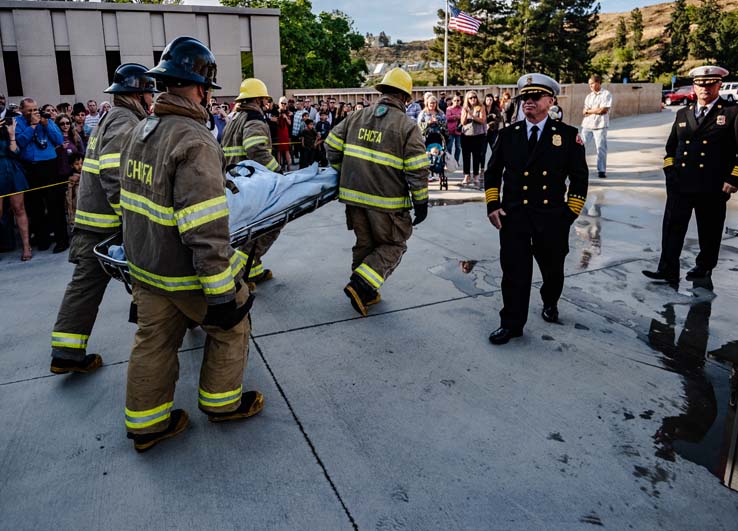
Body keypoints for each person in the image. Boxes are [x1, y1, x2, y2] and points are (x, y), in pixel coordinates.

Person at [120, 37, 263, 452]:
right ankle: (222, 404)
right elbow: (205, 229)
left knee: (154, 340)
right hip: (182, 272)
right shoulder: (195, 140)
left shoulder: (141, 130)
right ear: (200, 87)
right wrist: (221, 296)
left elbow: (129, 203)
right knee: (232, 326)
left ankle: (147, 426)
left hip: (146, 266)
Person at [49, 63, 157, 376]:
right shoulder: (124, 119)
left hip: (94, 222)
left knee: (85, 286)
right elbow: (113, 173)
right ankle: (161, 335)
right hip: (106, 224)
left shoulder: (114, 116)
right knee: (145, 280)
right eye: (149, 93)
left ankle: (66, 353)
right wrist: (132, 216)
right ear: (138, 93)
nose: (152, 99)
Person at [484, 73, 588, 345]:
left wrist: (570, 213)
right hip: (514, 216)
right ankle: (511, 324)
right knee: (514, 273)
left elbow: (580, 177)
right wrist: (493, 204)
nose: (528, 101)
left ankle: (550, 300)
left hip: (551, 217)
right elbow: (492, 172)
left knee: (552, 271)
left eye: (535, 97)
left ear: (550, 100)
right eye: (524, 97)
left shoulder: (567, 136)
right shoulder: (508, 135)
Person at [325, 67, 429, 317]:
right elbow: (417, 169)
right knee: (394, 244)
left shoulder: (356, 116)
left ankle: (364, 292)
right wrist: (421, 202)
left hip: (353, 197)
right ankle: (361, 285)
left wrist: (344, 175)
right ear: (405, 98)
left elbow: (331, 145)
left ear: (382, 91)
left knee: (365, 244)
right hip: (387, 203)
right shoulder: (407, 126)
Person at [643, 66, 738, 285]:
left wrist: (734, 178)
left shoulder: (731, 113)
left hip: (712, 185)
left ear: (719, 85)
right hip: (681, 183)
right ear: (694, 86)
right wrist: (670, 172)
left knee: (709, 230)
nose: (705, 88)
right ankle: (667, 269)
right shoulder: (683, 113)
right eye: (700, 84)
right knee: (672, 228)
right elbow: (671, 148)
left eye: (710, 84)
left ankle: (704, 267)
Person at [221, 77, 281, 285]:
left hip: (235, 182)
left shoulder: (236, 118)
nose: (266, 103)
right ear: (258, 99)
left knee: (251, 228)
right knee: (272, 223)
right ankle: (242, 269)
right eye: (264, 100)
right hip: (251, 184)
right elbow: (255, 149)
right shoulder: (254, 118)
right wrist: (277, 173)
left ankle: (253, 269)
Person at [15, 98, 68, 253]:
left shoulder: (45, 119)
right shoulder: (17, 123)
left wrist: (46, 124)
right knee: (35, 206)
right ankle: (42, 238)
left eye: (35, 109)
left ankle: (61, 239)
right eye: (29, 110)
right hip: (30, 167)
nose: (33, 113)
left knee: (55, 205)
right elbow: (20, 142)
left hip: (49, 166)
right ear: (22, 110)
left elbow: (58, 139)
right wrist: (32, 126)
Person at [0, 112, 32, 261]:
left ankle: (26, 246)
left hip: (12, 169)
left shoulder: (8, 126)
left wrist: (11, 133)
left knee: (19, 208)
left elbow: (16, 151)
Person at [580, 74, 612, 179]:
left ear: (598, 83)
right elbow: (584, 112)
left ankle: (601, 170)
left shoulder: (606, 94)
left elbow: (603, 110)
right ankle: (577, 168)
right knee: (580, 147)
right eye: (589, 84)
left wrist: (590, 111)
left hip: (600, 125)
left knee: (601, 148)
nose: (590, 86)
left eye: (592, 84)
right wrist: (593, 111)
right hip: (587, 125)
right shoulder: (589, 96)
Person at [460, 90, 487, 187]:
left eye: (474, 97)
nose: (473, 99)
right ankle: (466, 175)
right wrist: (466, 113)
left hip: (478, 135)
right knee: (466, 156)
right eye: (471, 98)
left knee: (477, 156)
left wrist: (471, 115)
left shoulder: (481, 107)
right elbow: (463, 122)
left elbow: (482, 120)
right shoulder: (465, 108)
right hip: (466, 135)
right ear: (467, 99)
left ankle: (476, 175)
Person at [275, 96, 293, 171]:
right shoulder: (277, 111)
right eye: (282, 103)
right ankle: (279, 166)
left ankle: (289, 166)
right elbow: (275, 121)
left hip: (285, 132)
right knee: (279, 150)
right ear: (279, 103)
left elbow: (290, 123)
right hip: (278, 132)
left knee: (286, 150)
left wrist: (285, 117)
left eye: (285, 103)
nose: (283, 104)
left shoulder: (288, 112)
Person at [446, 94, 462, 166]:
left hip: (459, 131)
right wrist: (456, 116)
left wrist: (454, 117)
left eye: (458, 100)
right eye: (455, 100)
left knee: (458, 147)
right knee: (449, 147)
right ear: (452, 101)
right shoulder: (448, 109)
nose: (456, 102)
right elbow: (447, 118)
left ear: (460, 101)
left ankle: (456, 161)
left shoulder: (462, 109)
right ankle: (449, 161)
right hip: (450, 130)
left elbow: (463, 117)